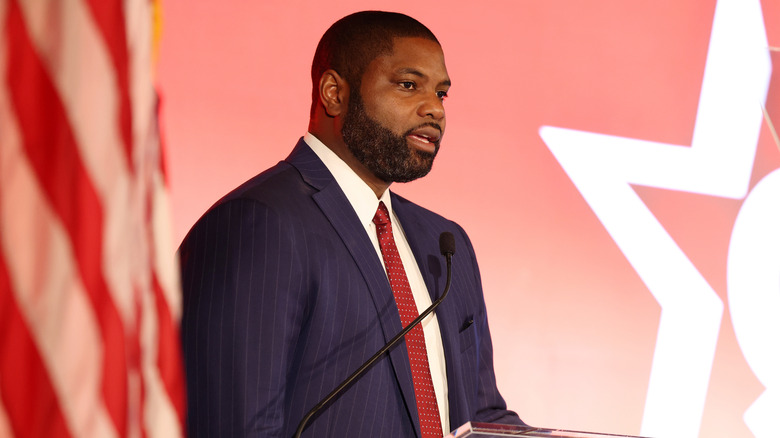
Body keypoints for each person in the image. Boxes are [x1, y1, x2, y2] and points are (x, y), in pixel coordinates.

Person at [178, 10, 523, 437]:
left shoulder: (445, 246)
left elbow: (482, 415)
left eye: (441, 93)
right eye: (408, 85)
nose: (434, 108)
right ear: (334, 93)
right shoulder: (258, 223)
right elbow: (235, 425)